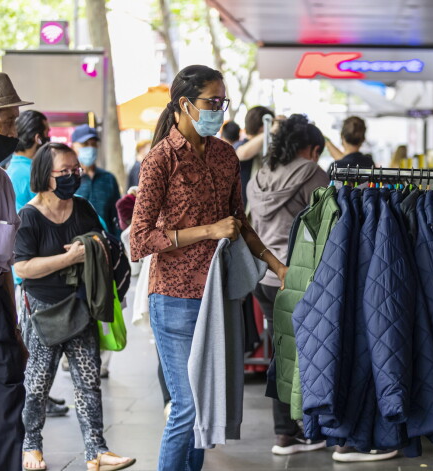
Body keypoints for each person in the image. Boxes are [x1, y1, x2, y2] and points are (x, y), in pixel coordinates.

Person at [130, 64, 288, 471]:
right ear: (185, 104)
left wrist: (276, 266)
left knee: (205, 407)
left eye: (223, 102)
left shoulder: (224, 154)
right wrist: (207, 231)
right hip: (174, 296)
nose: (219, 109)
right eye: (211, 102)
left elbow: (239, 221)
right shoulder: (160, 160)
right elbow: (140, 240)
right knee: (187, 404)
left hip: (218, 294)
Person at [14, 142, 135, 471]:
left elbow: (103, 239)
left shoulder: (81, 208)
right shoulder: (29, 216)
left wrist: (95, 246)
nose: (73, 176)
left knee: (89, 381)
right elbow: (23, 268)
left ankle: (97, 450)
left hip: (81, 305)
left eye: (75, 171)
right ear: (45, 175)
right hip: (44, 310)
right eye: (64, 172)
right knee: (38, 384)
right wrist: (68, 258)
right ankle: (31, 446)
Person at [247, 114, 330, 455]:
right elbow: (329, 221)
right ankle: (311, 428)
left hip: (264, 275)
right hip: (298, 275)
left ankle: (285, 432)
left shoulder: (260, 176)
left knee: (282, 352)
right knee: (312, 352)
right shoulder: (311, 173)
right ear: (311, 149)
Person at [7, 109, 70, 418]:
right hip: (33, 278)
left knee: (39, 349)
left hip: (32, 276)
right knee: (37, 350)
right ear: (37, 136)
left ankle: (39, 400)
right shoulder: (24, 173)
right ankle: (33, 413)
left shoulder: (13, 170)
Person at [0, 71, 31, 471]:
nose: (15, 131)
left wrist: (14, 328)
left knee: (7, 400)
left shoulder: (1, 181)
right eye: (10, 121)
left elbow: (5, 265)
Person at [72, 124, 121, 236]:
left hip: (105, 242)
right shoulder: (70, 178)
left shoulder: (108, 178)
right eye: (84, 144)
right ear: (73, 146)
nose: (90, 148)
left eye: (93, 144)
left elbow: (117, 216)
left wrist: (118, 244)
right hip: (76, 243)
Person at [234, 105, 274, 208]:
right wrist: (270, 131)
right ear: (263, 127)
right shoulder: (240, 146)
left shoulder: (263, 149)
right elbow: (242, 154)